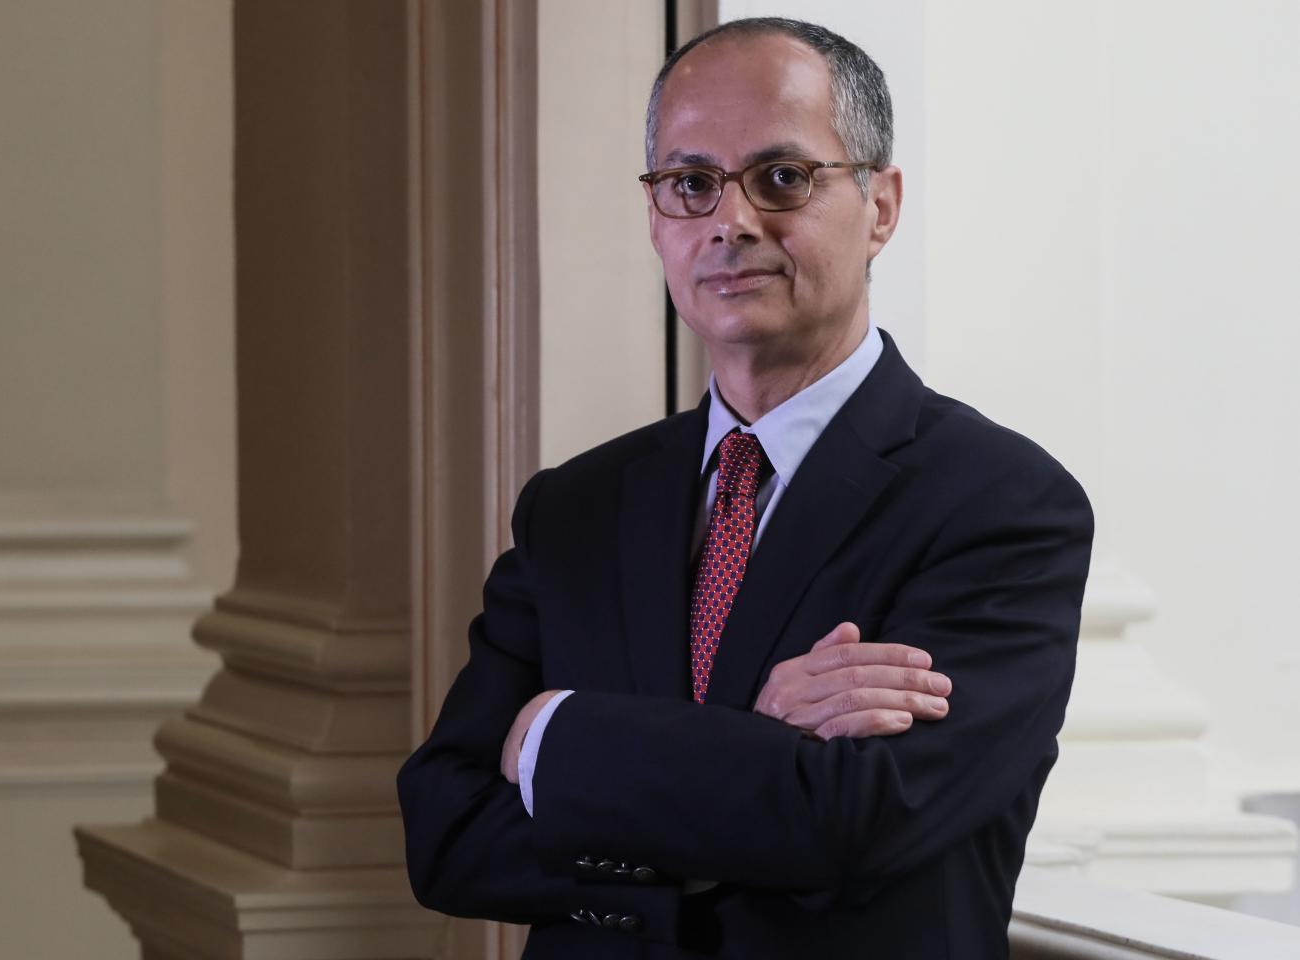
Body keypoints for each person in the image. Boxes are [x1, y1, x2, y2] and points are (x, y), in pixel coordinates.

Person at [396, 16, 1094, 960]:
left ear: (881, 205)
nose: (731, 221)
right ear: (656, 218)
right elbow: (446, 834)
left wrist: (558, 734)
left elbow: (852, 822)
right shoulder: (574, 506)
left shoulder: (1003, 506)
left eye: (783, 178)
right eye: (691, 184)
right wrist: (746, 746)